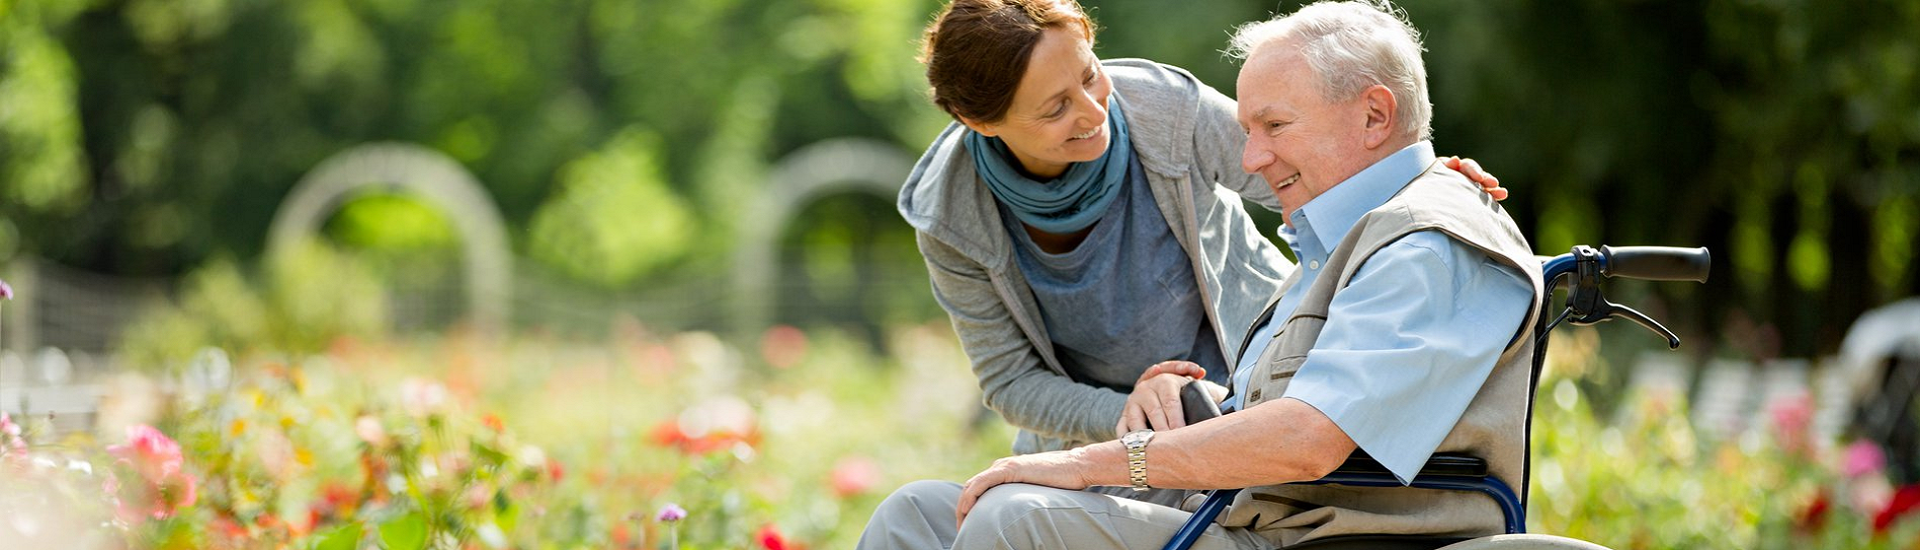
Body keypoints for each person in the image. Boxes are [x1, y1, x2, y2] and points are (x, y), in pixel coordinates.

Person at [863, 1, 1545, 548]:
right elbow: (1011, 381)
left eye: (1091, 75)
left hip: (1273, 501)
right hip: (1213, 457)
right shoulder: (951, 212)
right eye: (1053, 109)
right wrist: (1144, 411)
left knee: (1006, 520)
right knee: (914, 515)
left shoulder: (1415, 245)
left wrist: (1423, 178)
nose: (1095, 109)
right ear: (981, 123)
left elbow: (1306, 438)